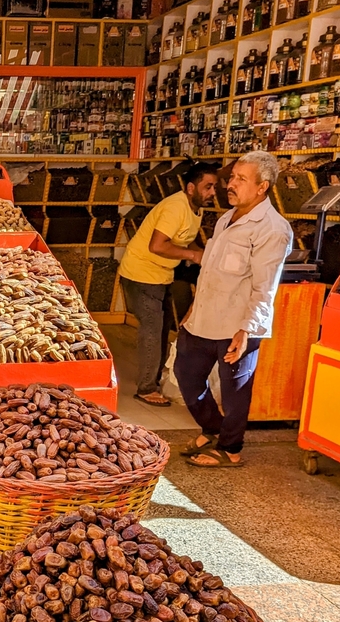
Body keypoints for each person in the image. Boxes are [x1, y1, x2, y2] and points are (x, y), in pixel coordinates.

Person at [174, 151, 292, 468]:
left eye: (241, 179)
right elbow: (211, 270)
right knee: (185, 373)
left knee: (235, 389)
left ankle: (230, 448)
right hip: (205, 317)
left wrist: (247, 329)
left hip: (238, 324)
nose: (231, 183)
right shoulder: (228, 217)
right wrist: (192, 311)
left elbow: (265, 285)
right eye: (233, 176)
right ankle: (213, 427)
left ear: (262, 187)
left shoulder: (272, 229)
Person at [120, 163, 218, 407]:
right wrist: (194, 256)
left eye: (215, 187)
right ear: (191, 187)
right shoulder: (176, 207)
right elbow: (157, 245)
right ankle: (146, 388)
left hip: (161, 275)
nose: (213, 192)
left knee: (161, 329)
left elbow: (189, 241)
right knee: (152, 331)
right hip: (141, 273)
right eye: (208, 187)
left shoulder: (196, 209)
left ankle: (151, 380)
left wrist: (207, 256)